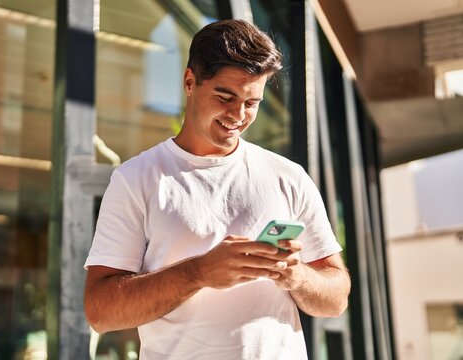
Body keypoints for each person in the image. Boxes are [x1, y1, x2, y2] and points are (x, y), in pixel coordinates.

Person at [84, 19, 350, 359]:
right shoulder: (137, 179)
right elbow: (101, 311)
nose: (238, 115)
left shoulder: (289, 177)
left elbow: (336, 298)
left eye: (251, 103)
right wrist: (199, 272)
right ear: (190, 81)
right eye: (225, 96)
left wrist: (296, 275)